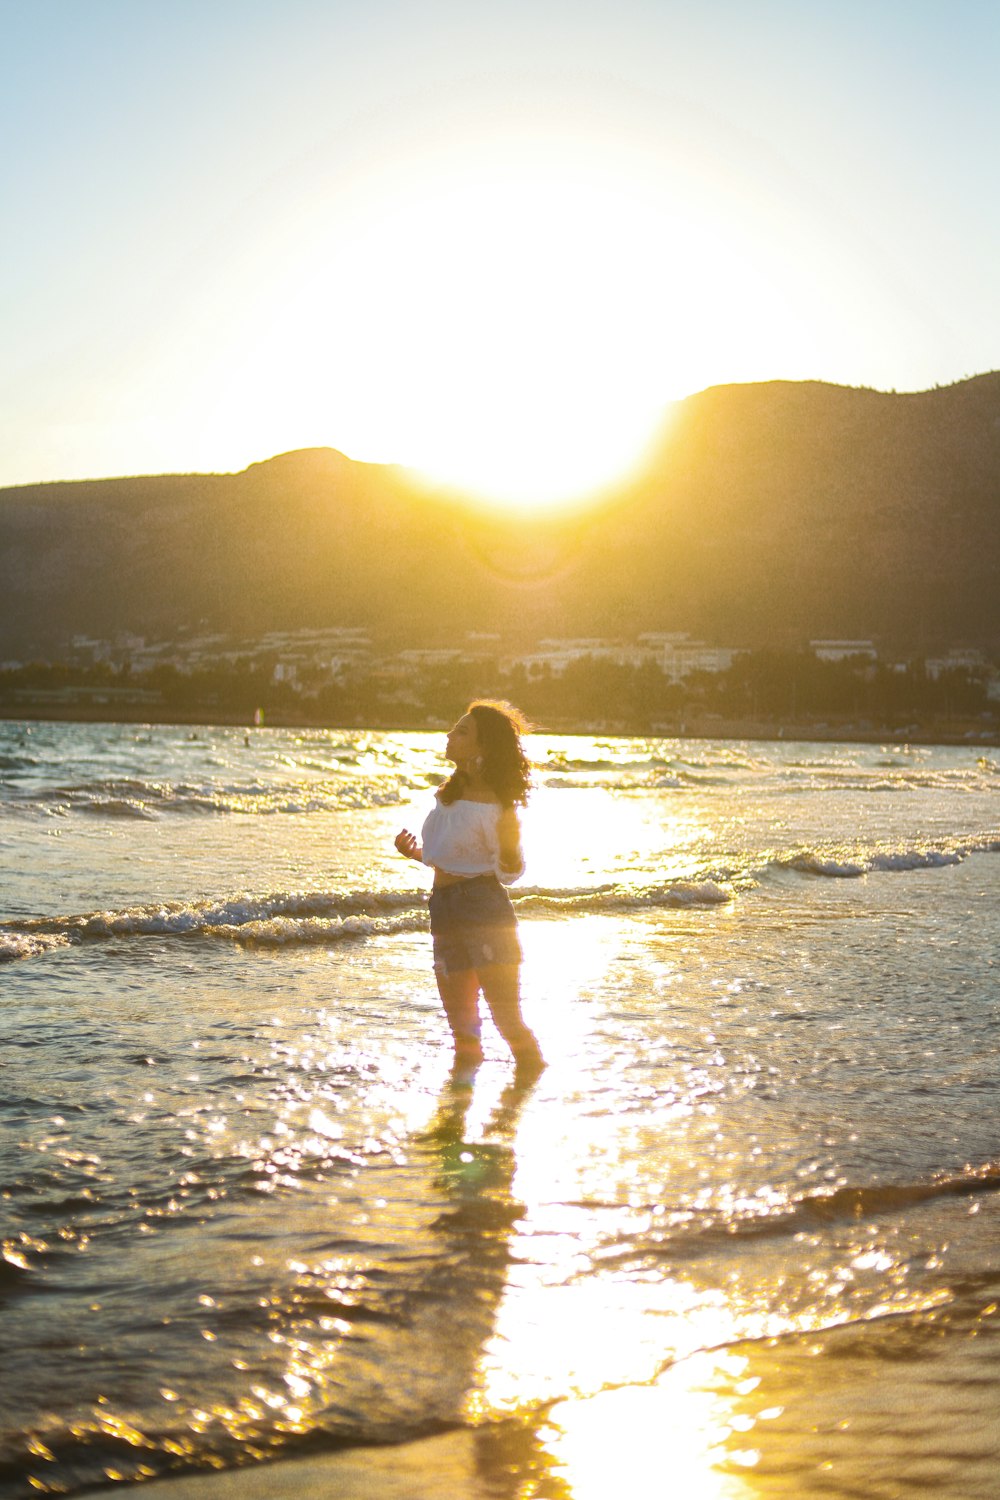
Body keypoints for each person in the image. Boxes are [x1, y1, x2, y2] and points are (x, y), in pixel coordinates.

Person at [395, 700, 544, 1076]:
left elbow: (509, 873)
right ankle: (456, 1116)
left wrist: (509, 847)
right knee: (462, 1026)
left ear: (483, 749)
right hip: (443, 909)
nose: (450, 734)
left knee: (505, 1017)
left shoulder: (497, 806)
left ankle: (528, 1085)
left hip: (484, 908)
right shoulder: (448, 795)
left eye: (462, 731)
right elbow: (452, 857)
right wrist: (416, 854)